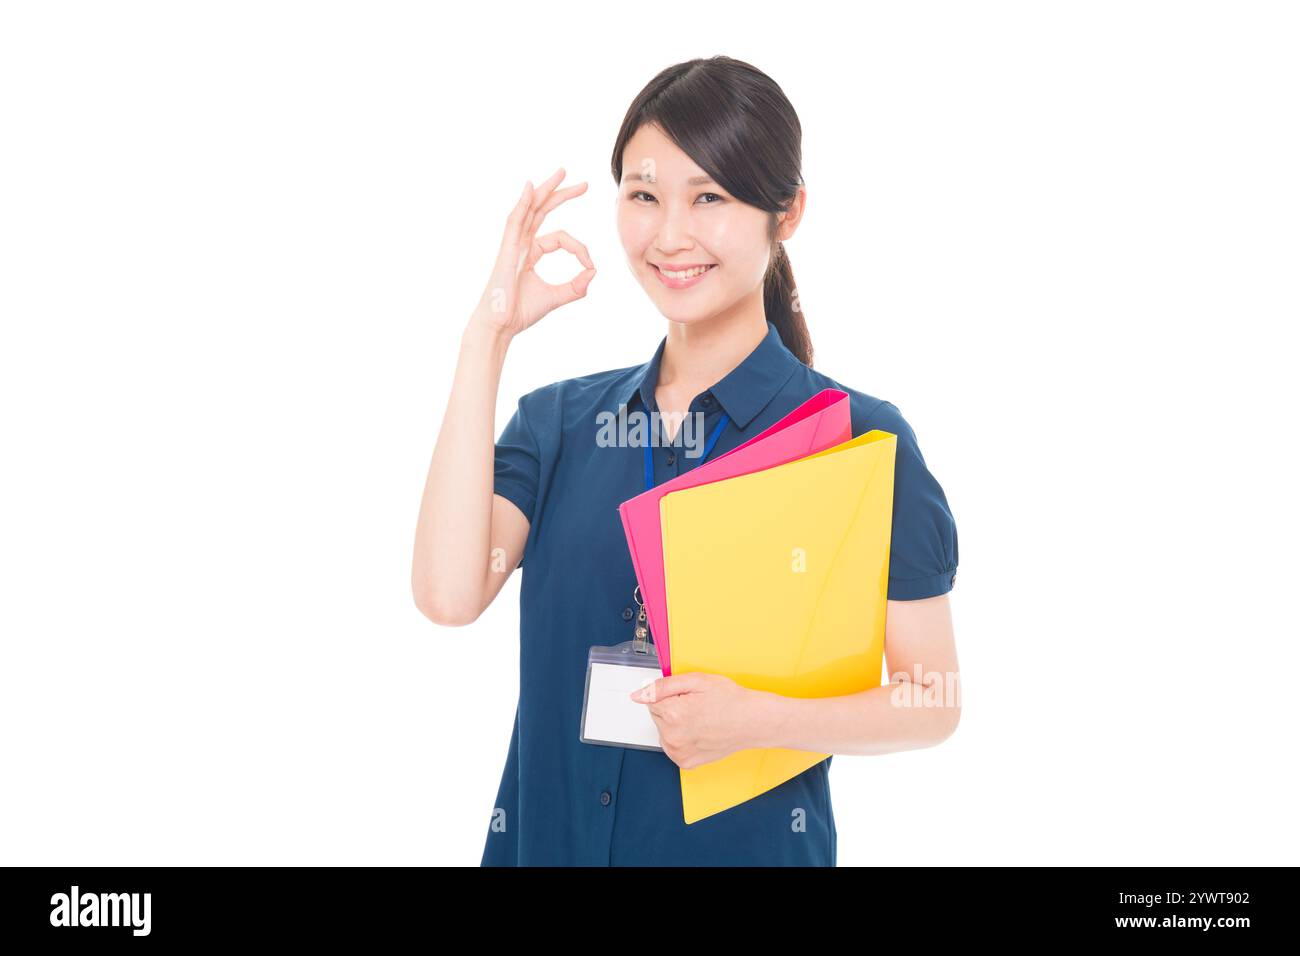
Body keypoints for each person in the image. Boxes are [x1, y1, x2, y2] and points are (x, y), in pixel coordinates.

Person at [411, 55, 960, 866]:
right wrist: (486, 337)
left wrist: (763, 721)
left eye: (710, 197)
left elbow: (931, 699)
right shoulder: (559, 423)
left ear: (788, 210)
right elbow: (448, 596)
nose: (670, 235)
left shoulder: (858, 439)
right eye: (643, 196)